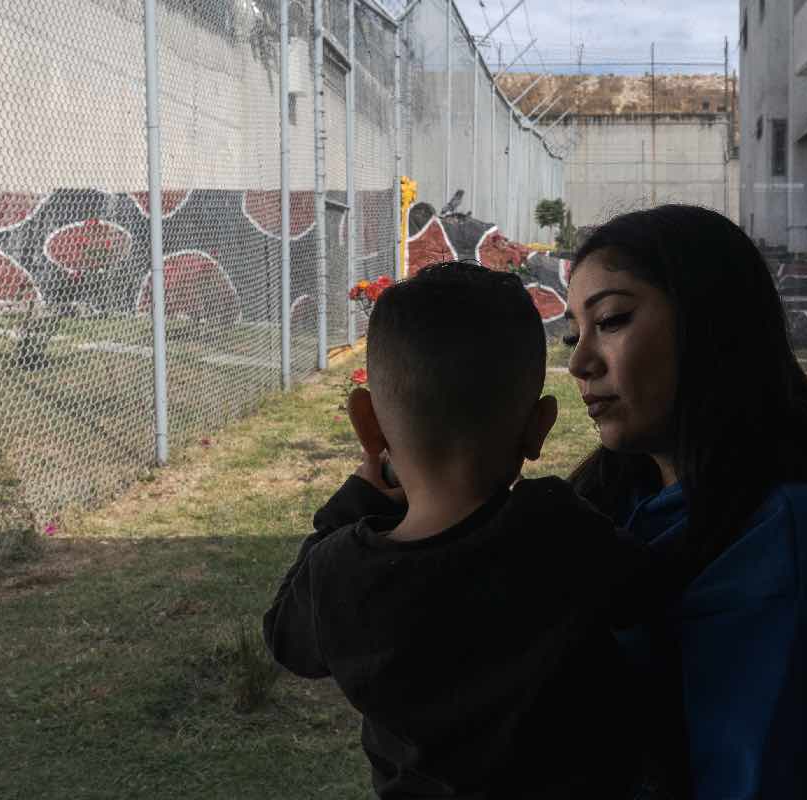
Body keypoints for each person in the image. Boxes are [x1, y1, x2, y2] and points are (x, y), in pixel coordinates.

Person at [263, 262, 675, 799]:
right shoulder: (556, 529)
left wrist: (354, 503)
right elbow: (650, 591)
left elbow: (286, 641)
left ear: (368, 424)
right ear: (538, 427)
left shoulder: (338, 572)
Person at [560, 204, 807, 799]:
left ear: (711, 321)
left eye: (613, 319)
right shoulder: (613, 507)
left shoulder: (804, 542)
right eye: (575, 333)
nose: (579, 362)